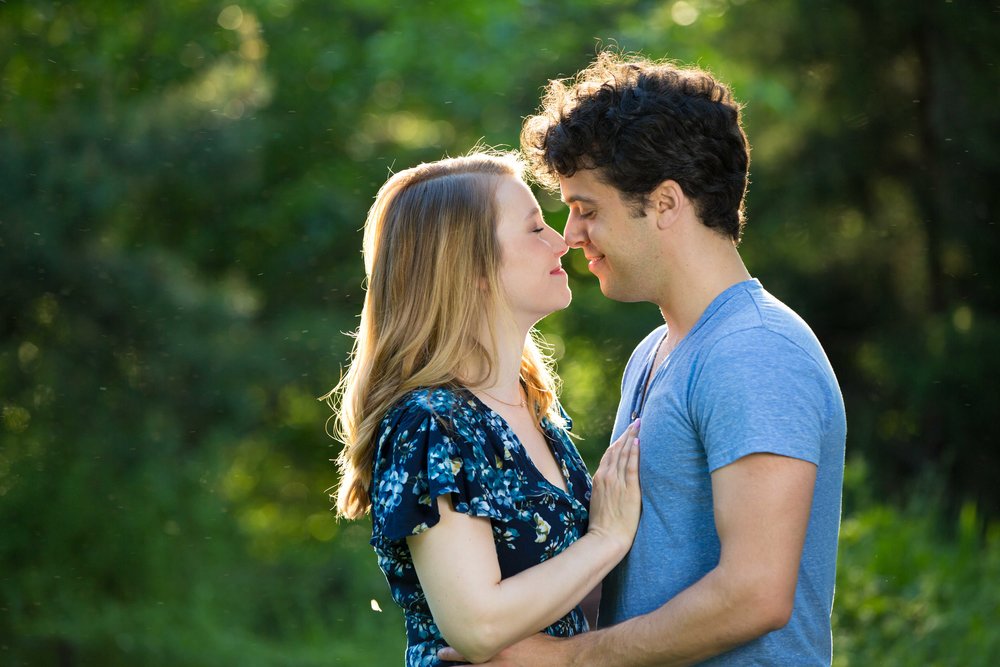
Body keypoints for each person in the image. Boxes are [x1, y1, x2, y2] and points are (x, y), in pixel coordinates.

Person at [439, 53, 847, 666]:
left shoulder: (756, 352)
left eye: (587, 209)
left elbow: (756, 594)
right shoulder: (654, 352)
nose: (571, 236)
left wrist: (568, 659)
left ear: (664, 203)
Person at [326, 151, 643, 667]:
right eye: (535, 228)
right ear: (471, 267)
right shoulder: (431, 423)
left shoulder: (534, 405)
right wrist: (607, 539)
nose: (561, 240)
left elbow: (564, 595)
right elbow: (478, 626)